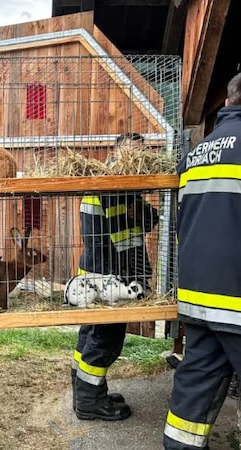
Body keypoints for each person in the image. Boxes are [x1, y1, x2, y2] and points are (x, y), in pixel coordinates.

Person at [163, 68, 241, 449]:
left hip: (196, 295)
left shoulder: (194, 153)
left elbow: (182, 219)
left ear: (227, 102)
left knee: (196, 382)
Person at [71, 132, 159, 421]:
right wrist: (119, 286)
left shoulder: (128, 185)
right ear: (117, 153)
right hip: (105, 280)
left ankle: (90, 392)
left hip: (109, 276)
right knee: (104, 340)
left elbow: (151, 219)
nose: (139, 161)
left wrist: (137, 211)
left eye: (142, 154)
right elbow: (99, 243)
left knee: (91, 337)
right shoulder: (105, 184)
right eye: (134, 154)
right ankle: (88, 402)